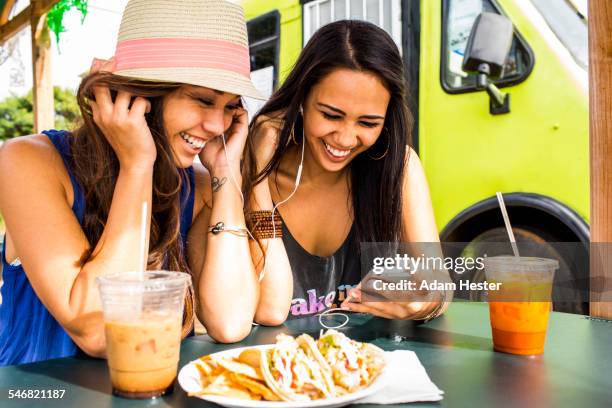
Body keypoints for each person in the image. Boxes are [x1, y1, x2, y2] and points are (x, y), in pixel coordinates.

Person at [0, 0, 266, 366]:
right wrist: (137, 164)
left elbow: (230, 322)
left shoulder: (201, 185)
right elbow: (100, 332)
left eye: (230, 106)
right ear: (142, 93)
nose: (219, 126)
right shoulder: (27, 162)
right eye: (203, 100)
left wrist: (226, 173)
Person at [242, 20, 452, 321]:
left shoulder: (401, 170)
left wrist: (423, 302)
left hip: (371, 364)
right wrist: (258, 173)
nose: (344, 138)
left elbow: (439, 288)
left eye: (368, 123)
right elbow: (267, 309)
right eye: (330, 115)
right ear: (301, 99)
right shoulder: (253, 177)